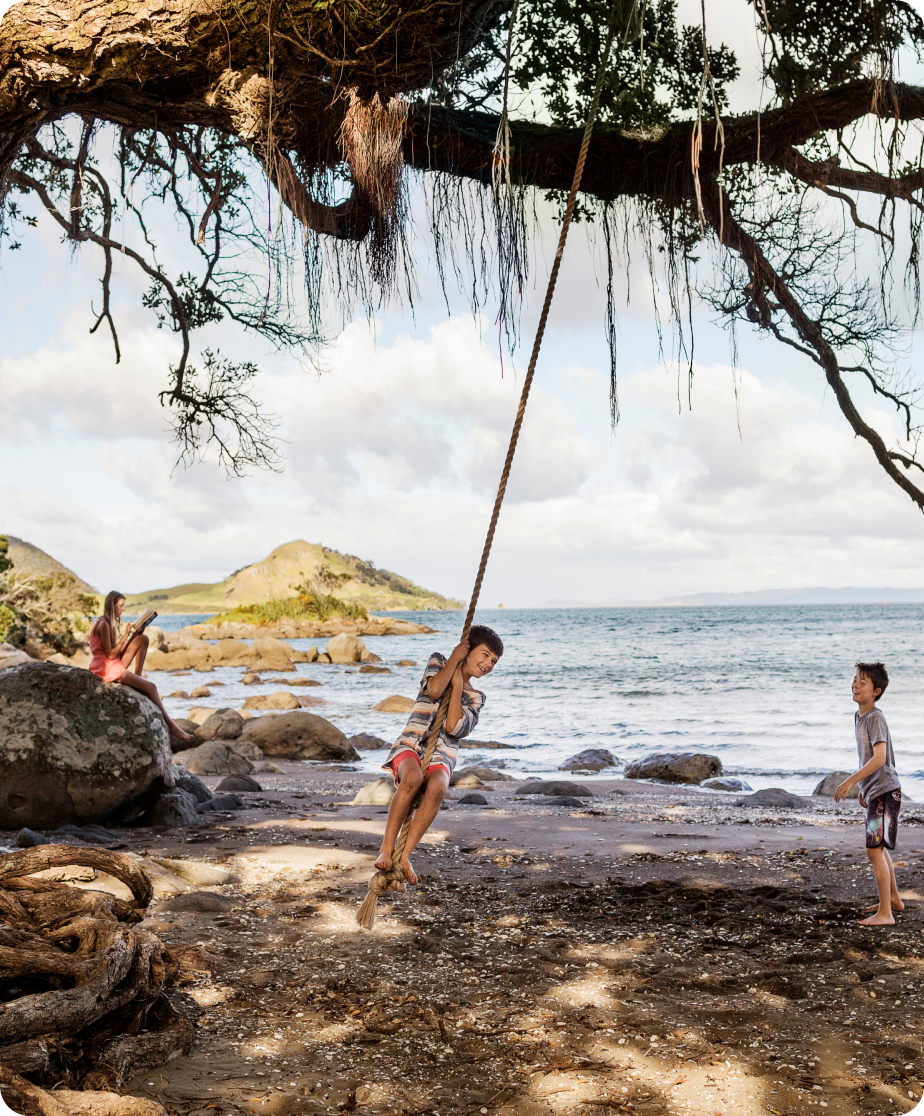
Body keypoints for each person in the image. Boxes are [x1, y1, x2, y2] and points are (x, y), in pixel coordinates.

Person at [375, 625, 504, 885]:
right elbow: (434, 691)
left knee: (438, 788)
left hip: (442, 755)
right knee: (411, 779)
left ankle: (405, 855)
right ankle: (386, 849)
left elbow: (454, 726)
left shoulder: (477, 698)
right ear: (467, 648)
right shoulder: (439, 661)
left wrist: (458, 686)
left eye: (494, 661)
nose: (488, 663)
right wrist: (454, 662)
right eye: (485, 654)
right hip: (412, 743)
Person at [835, 661, 902, 926]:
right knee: (879, 848)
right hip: (878, 791)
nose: (855, 684)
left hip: (886, 791)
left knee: (874, 851)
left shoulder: (875, 718)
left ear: (876, 691)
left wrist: (851, 781)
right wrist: (865, 788)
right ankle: (894, 901)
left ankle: (885, 914)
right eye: (855, 680)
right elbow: (867, 758)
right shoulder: (859, 716)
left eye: (863, 682)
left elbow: (879, 758)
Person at [88, 591, 193, 744]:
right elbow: (110, 655)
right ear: (112, 606)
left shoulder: (108, 623)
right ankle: (171, 726)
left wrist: (133, 635)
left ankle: (138, 677)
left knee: (142, 639)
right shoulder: (103, 624)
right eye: (121, 606)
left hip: (112, 664)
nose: (123, 609)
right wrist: (126, 634)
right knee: (151, 688)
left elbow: (115, 653)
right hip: (106, 669)